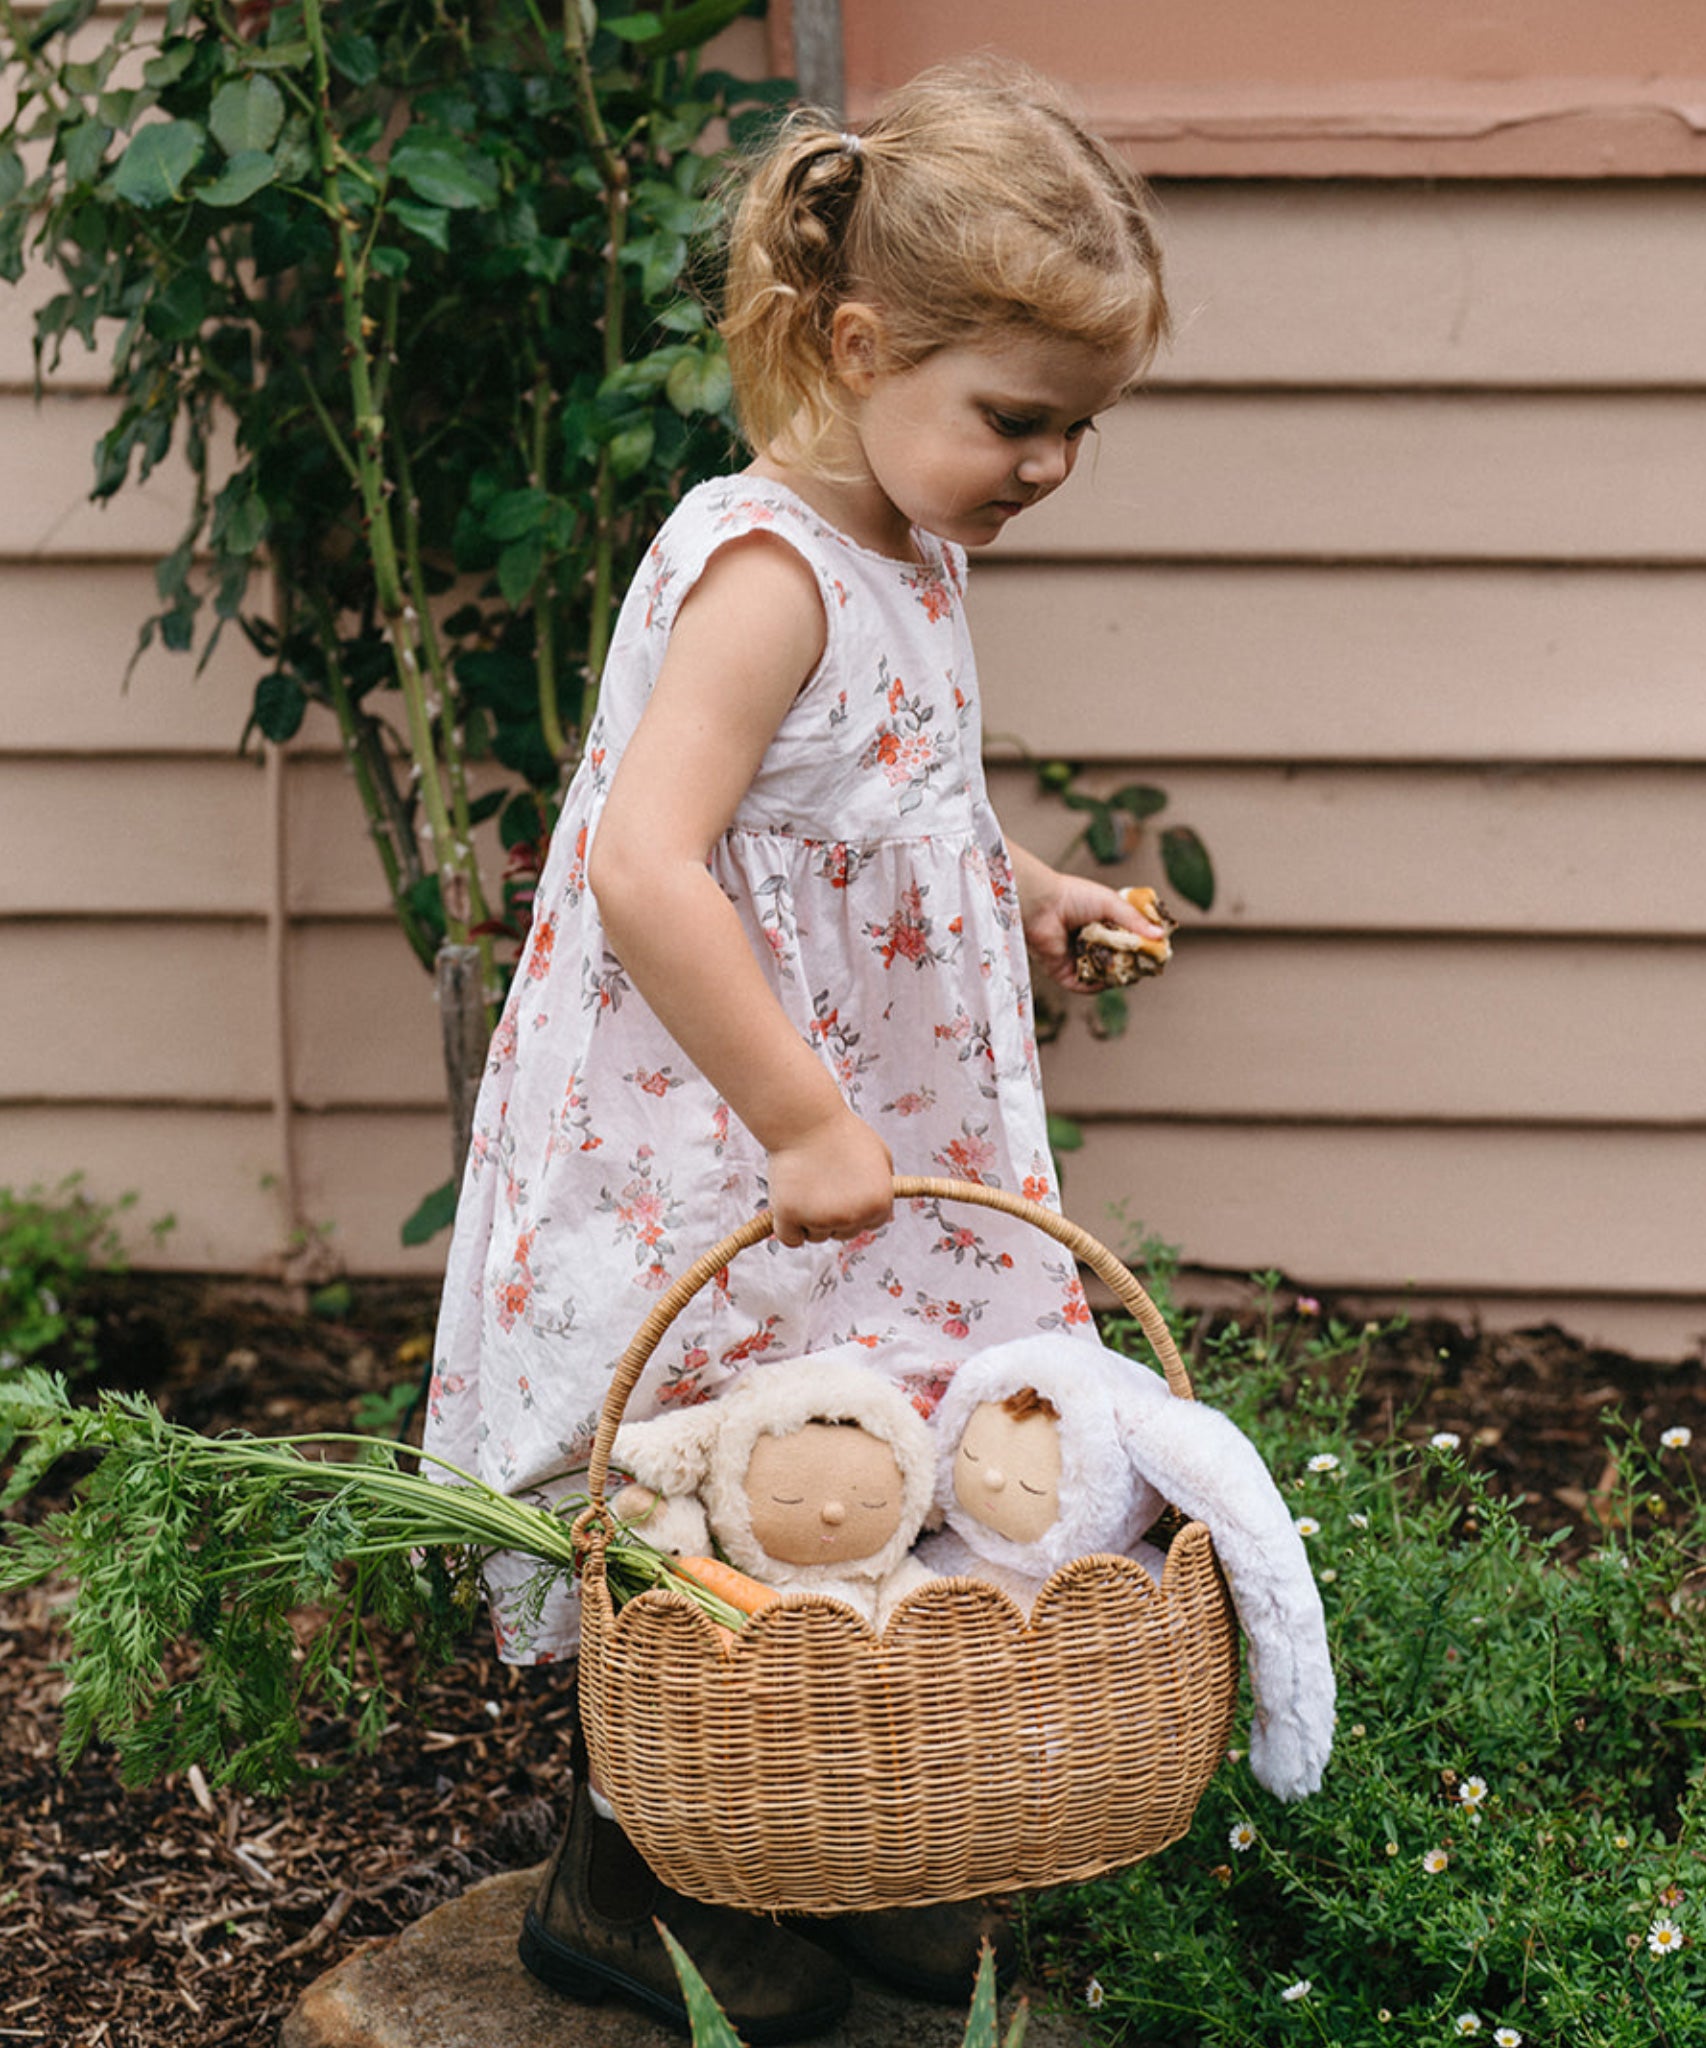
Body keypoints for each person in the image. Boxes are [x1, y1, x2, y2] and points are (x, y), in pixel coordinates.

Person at [425, 56, 1172, 2044]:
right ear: (852, 343)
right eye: (1014, 419)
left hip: (848, 1120)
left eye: (1076, 430)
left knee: (848, 1468)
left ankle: (821, 1854)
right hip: (728, 1131)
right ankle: (628, 1872)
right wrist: (800, 1117)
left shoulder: (910, 556)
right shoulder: (764, 574)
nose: (1043, 468)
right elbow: (649, 868)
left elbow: (887, 807)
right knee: (712, 1472)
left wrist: (1025, 890)